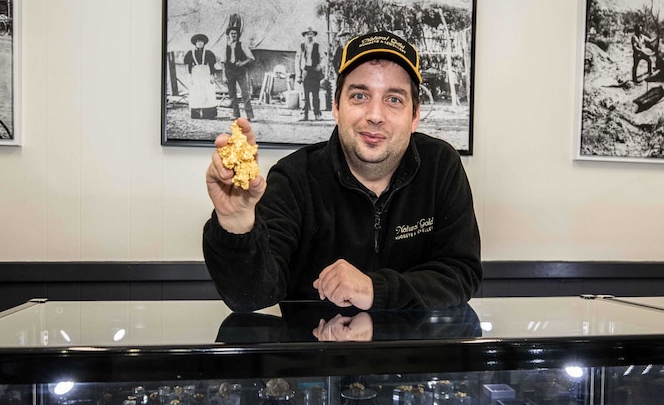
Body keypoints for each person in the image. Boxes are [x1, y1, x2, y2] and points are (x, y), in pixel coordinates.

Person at [203, 31, 482, 312]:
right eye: (359, 96)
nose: (375, 115)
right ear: (336, 108)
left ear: (415, 116)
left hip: (416, 355)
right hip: (315, 353)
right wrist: (237, 223)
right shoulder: (293, 177)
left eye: (394, 99)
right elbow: (250, 296)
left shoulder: (441, 165)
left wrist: (375, 289)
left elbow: (461, 272)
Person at [222, 21, 255, 121]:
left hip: (240, 72)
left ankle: (250, 116)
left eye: (235, 34)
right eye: (231, 34)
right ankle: (236, 114)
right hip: (229, 72)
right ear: (228, 35)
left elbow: (251, 58)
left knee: (245, 93)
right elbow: (223, 62)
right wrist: (224, 75)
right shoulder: (225, 46)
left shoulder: (242, 45)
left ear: (238, 35)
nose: (233, 36)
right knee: (232, 94)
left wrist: (242, 63)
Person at [184, 33, 218, 119]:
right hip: (196, 75)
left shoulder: (208, 53)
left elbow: (211, 65)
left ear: (204, 43)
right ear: (195, 43)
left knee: (208, 92)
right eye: (198, 41)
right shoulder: (190, 53)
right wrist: (190, 76)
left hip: (206, 73)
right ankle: (196, 113)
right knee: (196, 92)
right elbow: (188, 66)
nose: (200, 43)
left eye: (201, 41)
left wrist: (212, 75)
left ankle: (209, 113)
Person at [297, 27, 323, 121]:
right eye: (307, 34)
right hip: (305, 72)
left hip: (315, 72)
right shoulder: (301, 47)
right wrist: (298, 75)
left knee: (315, 94)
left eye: (311, 34)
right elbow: (297, 61)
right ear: (304, 36)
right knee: (305, 95)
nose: (309, 36)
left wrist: (320, 67)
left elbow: (323, 58)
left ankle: (317, 114)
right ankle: (305, 114)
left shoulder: (317, 46)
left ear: (314, 35)